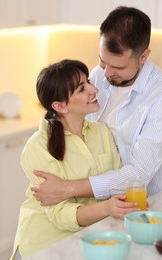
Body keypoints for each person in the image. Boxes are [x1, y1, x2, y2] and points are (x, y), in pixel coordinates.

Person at [31, 6, 162, 206]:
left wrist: (68, 188)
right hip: (98, 211)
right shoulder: (98, 75)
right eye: (103, 62)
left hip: (149, 210)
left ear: (144, 56)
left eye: (118, 67)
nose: (106, 74)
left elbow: (138, 174)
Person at [11, 59, 138, 259]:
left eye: (88, 81)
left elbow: (116, 184)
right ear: (60, 106)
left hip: (89, 241)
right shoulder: (38, 147)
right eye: (82, 89)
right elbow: (60, 215)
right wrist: (106, 207)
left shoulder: (101, 132)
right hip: (44, 247)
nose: (94, 89)